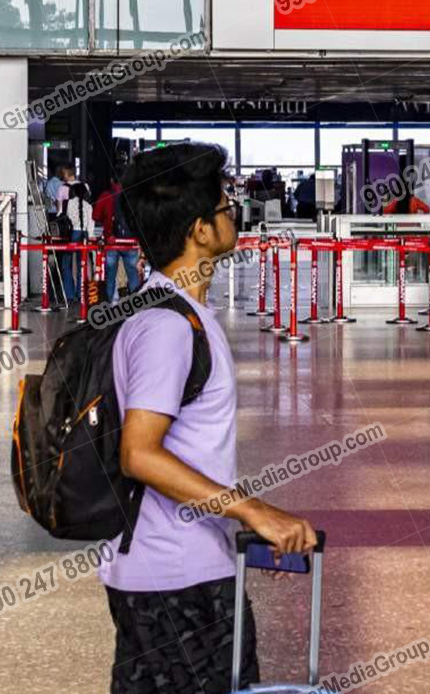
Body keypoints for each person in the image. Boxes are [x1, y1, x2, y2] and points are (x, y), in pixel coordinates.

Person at [98, 142, 317, 694]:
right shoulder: (167, 327)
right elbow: (139, 453)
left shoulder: (170, 312)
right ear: (199, 230)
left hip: (174, 568)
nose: (232, 215)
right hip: (177, 578)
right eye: (225, 207)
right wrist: (254, 512)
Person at [95, 167, 141, 301]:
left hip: (111, 242)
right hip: (130, 242)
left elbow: (96, 216)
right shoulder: (132, 196)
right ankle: (136, 305)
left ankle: (107, 306)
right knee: (133, 275)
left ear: (111, 180)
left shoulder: (105, 195)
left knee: (110, 276)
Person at [61, 182, 92, 302]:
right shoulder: (88, 206)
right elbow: (91, 225)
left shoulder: (69, 203)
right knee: (82, 264)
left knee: (67, 263)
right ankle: (80, 293)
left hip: (73, 234)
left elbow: (66, 217)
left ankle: (69, 294)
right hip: (84, 235)